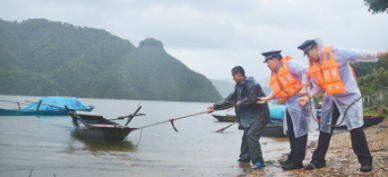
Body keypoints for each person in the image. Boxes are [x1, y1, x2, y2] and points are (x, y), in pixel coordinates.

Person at [297, 38, 388, 172]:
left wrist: (383, 54)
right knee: (325, 129)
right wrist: (308, 97)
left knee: (355, 128)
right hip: (331, 97)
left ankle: (365, 161)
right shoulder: (314, 64)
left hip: (348, 96)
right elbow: (317, 87)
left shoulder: (336, 53)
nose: (308, 57)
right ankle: (318, 160)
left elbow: (359, 54)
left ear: (315, 48)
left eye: (308, 53)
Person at [257, 50, 318, 170]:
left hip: (301, 101)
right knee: (291, 131)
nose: (267, 65)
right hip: (290, 103)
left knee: (299, 132)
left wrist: (305, 87)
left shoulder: (290, 64)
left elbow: (306, 70)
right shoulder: (278, 72)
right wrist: (267, 98)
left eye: (268, 62)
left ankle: (297, 161)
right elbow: (279, 90)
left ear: (274, 60)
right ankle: (292, 157)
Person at [207, 66, 271, 169]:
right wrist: (215, 107)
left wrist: (240, 103)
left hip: (260, 114)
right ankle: (244, 158)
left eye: (233, 75)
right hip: (250, 116)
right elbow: (229, 101)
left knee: (251, 136)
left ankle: (259, 162)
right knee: (246, 136)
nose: (232, 78)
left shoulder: (252, 83)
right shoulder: (238, 87)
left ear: (239, 74)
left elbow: (252, 98)